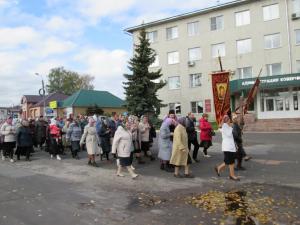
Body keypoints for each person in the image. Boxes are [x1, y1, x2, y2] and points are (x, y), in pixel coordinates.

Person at [215, 115, 239, 181]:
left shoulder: (226, 126)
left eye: (229, 119)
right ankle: (232, 175)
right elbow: (228, 134)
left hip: (230, 146)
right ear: (226, 120)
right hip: (227, 147)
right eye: (228, 119)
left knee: (228, 161)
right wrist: (231, 128)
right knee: (231, 162)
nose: (229, 121)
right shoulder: (225, 126)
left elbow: (221, 129)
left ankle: (218, 168)